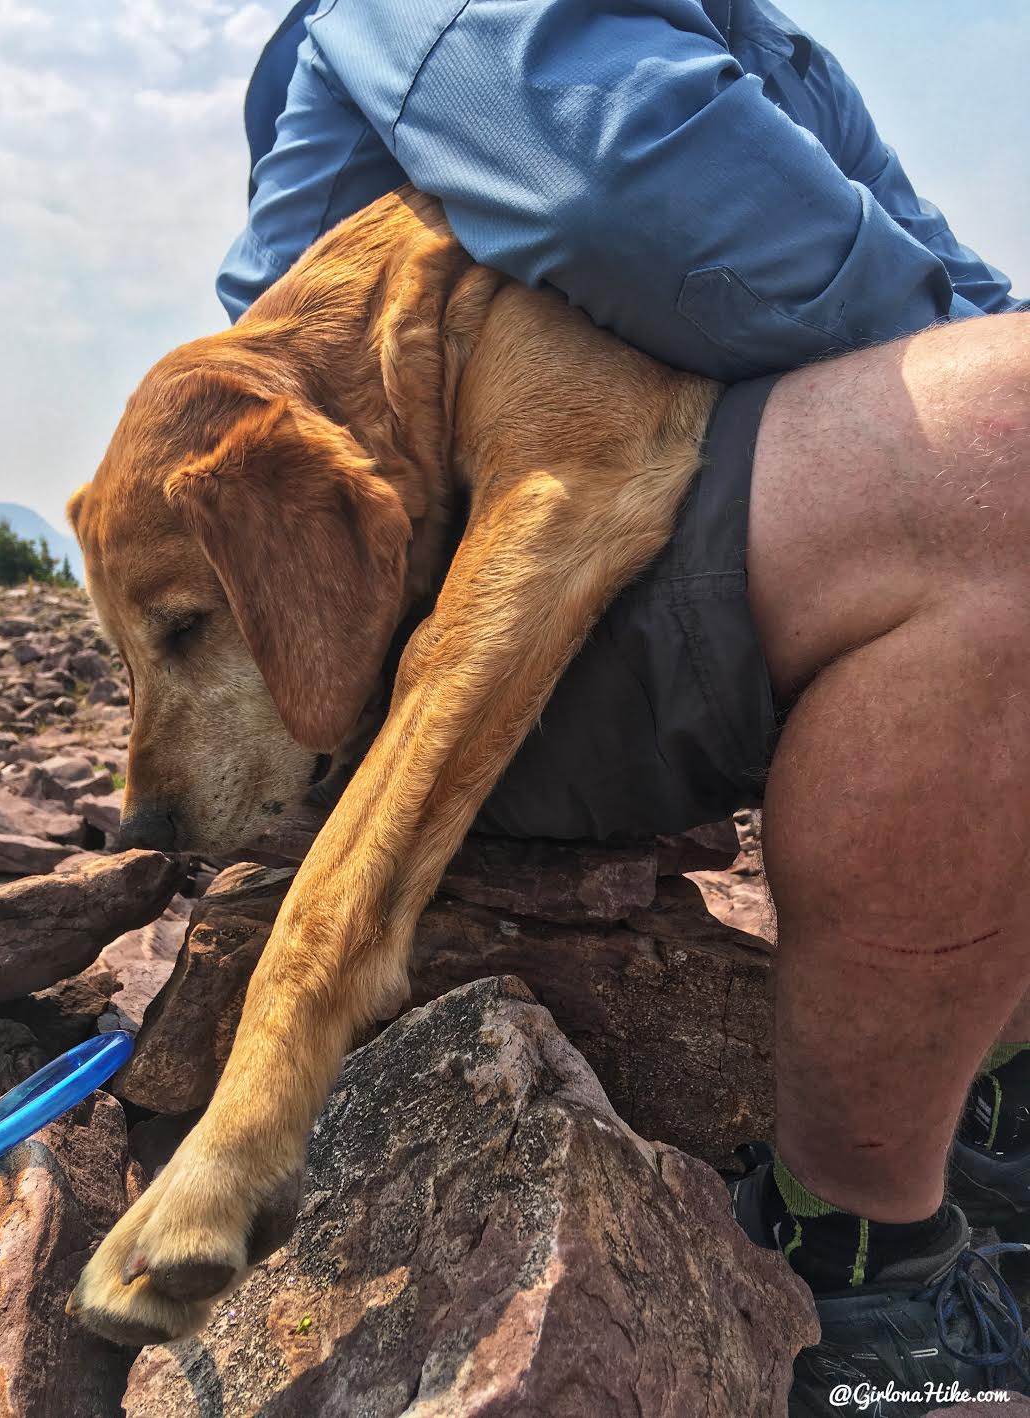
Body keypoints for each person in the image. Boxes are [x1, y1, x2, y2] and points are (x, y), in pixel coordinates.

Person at [217, 3, 1030, 1412]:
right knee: (1006, 468)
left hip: (624, 536)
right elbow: (637, 199)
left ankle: (990, 1093)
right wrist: (963, 417)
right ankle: (861, 1254)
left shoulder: (766, 48)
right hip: (457, 617)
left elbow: (948, 279)